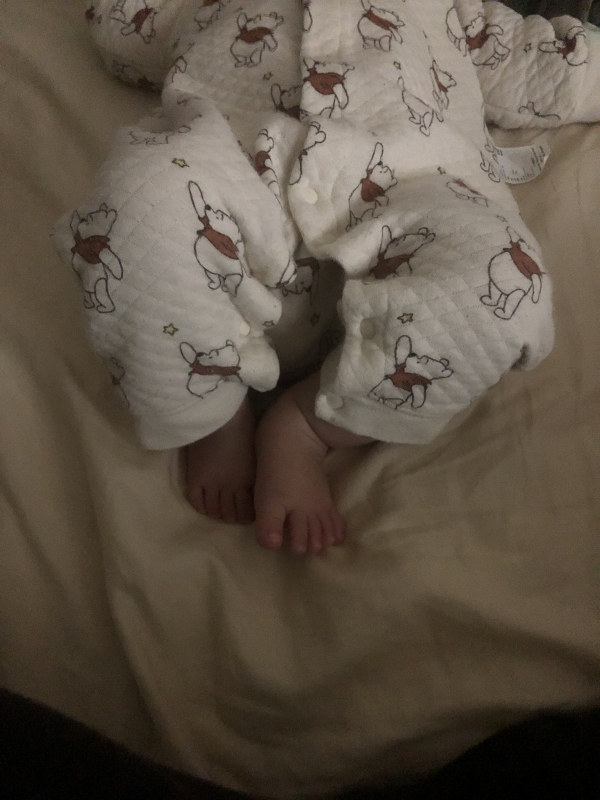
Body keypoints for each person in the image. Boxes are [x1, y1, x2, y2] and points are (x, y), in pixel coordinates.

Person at [53, 0, 600, 553]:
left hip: (409, 193)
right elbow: (122, 30)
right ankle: (217, 416)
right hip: (239, 182)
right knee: (143, 195)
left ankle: (308, 425)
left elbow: (546, 67)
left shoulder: (453, 10)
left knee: (503, 281)